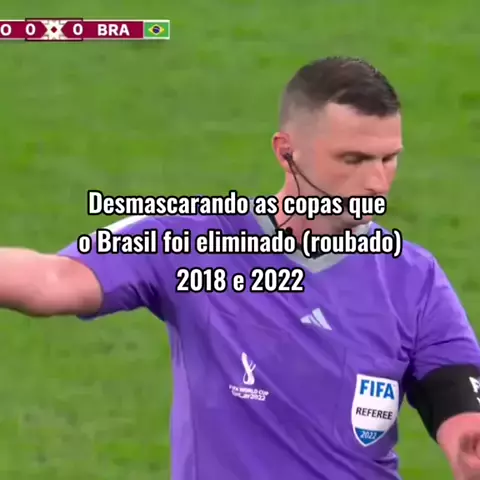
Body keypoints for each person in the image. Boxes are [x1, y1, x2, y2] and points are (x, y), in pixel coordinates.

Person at [1, 56, 480, 480]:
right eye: (352, 159)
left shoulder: (414, 279)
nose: (376, 183)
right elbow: (53, 280)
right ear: (286, 152)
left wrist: (468, 448)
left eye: (388, 159)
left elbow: (459, 404)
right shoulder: (192, 244)